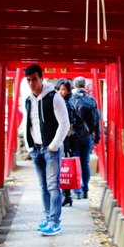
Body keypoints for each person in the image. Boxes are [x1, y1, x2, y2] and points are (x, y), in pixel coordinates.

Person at [23, 65, 70, 236]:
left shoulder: (54, 98)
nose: (31, 83)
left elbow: (64, 123)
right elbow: (26, 123)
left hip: (51, 149)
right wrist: (29, 147)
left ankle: (55, 222)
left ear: (42, 78)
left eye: (34, 79)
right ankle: (47, 218)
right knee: (43, 187)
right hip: (36, 149)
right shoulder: (29, 100)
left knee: (52, 186)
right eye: (28, 80)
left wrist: (53, 146)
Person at [55, 78, 90, 206]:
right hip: (65, 140)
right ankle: (68, 194)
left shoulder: (67, 104)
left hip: (67, 141)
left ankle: (68, 194)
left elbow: (68, 124)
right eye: (58, 89)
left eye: (63, 89)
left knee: (65, 167)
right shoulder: (62, 102)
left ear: (69, 90)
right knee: (68, 167)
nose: (60, 92)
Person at [70, 76, 101, 199]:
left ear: (74, 86)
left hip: (74, 137)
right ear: (84, 86)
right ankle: (85, 189)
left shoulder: (71, 99)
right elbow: (97, 119)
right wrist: (97, 137)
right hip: (87, 136)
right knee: (85, 163)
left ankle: (77, 190)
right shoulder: (92, 100)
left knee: (75, 163)